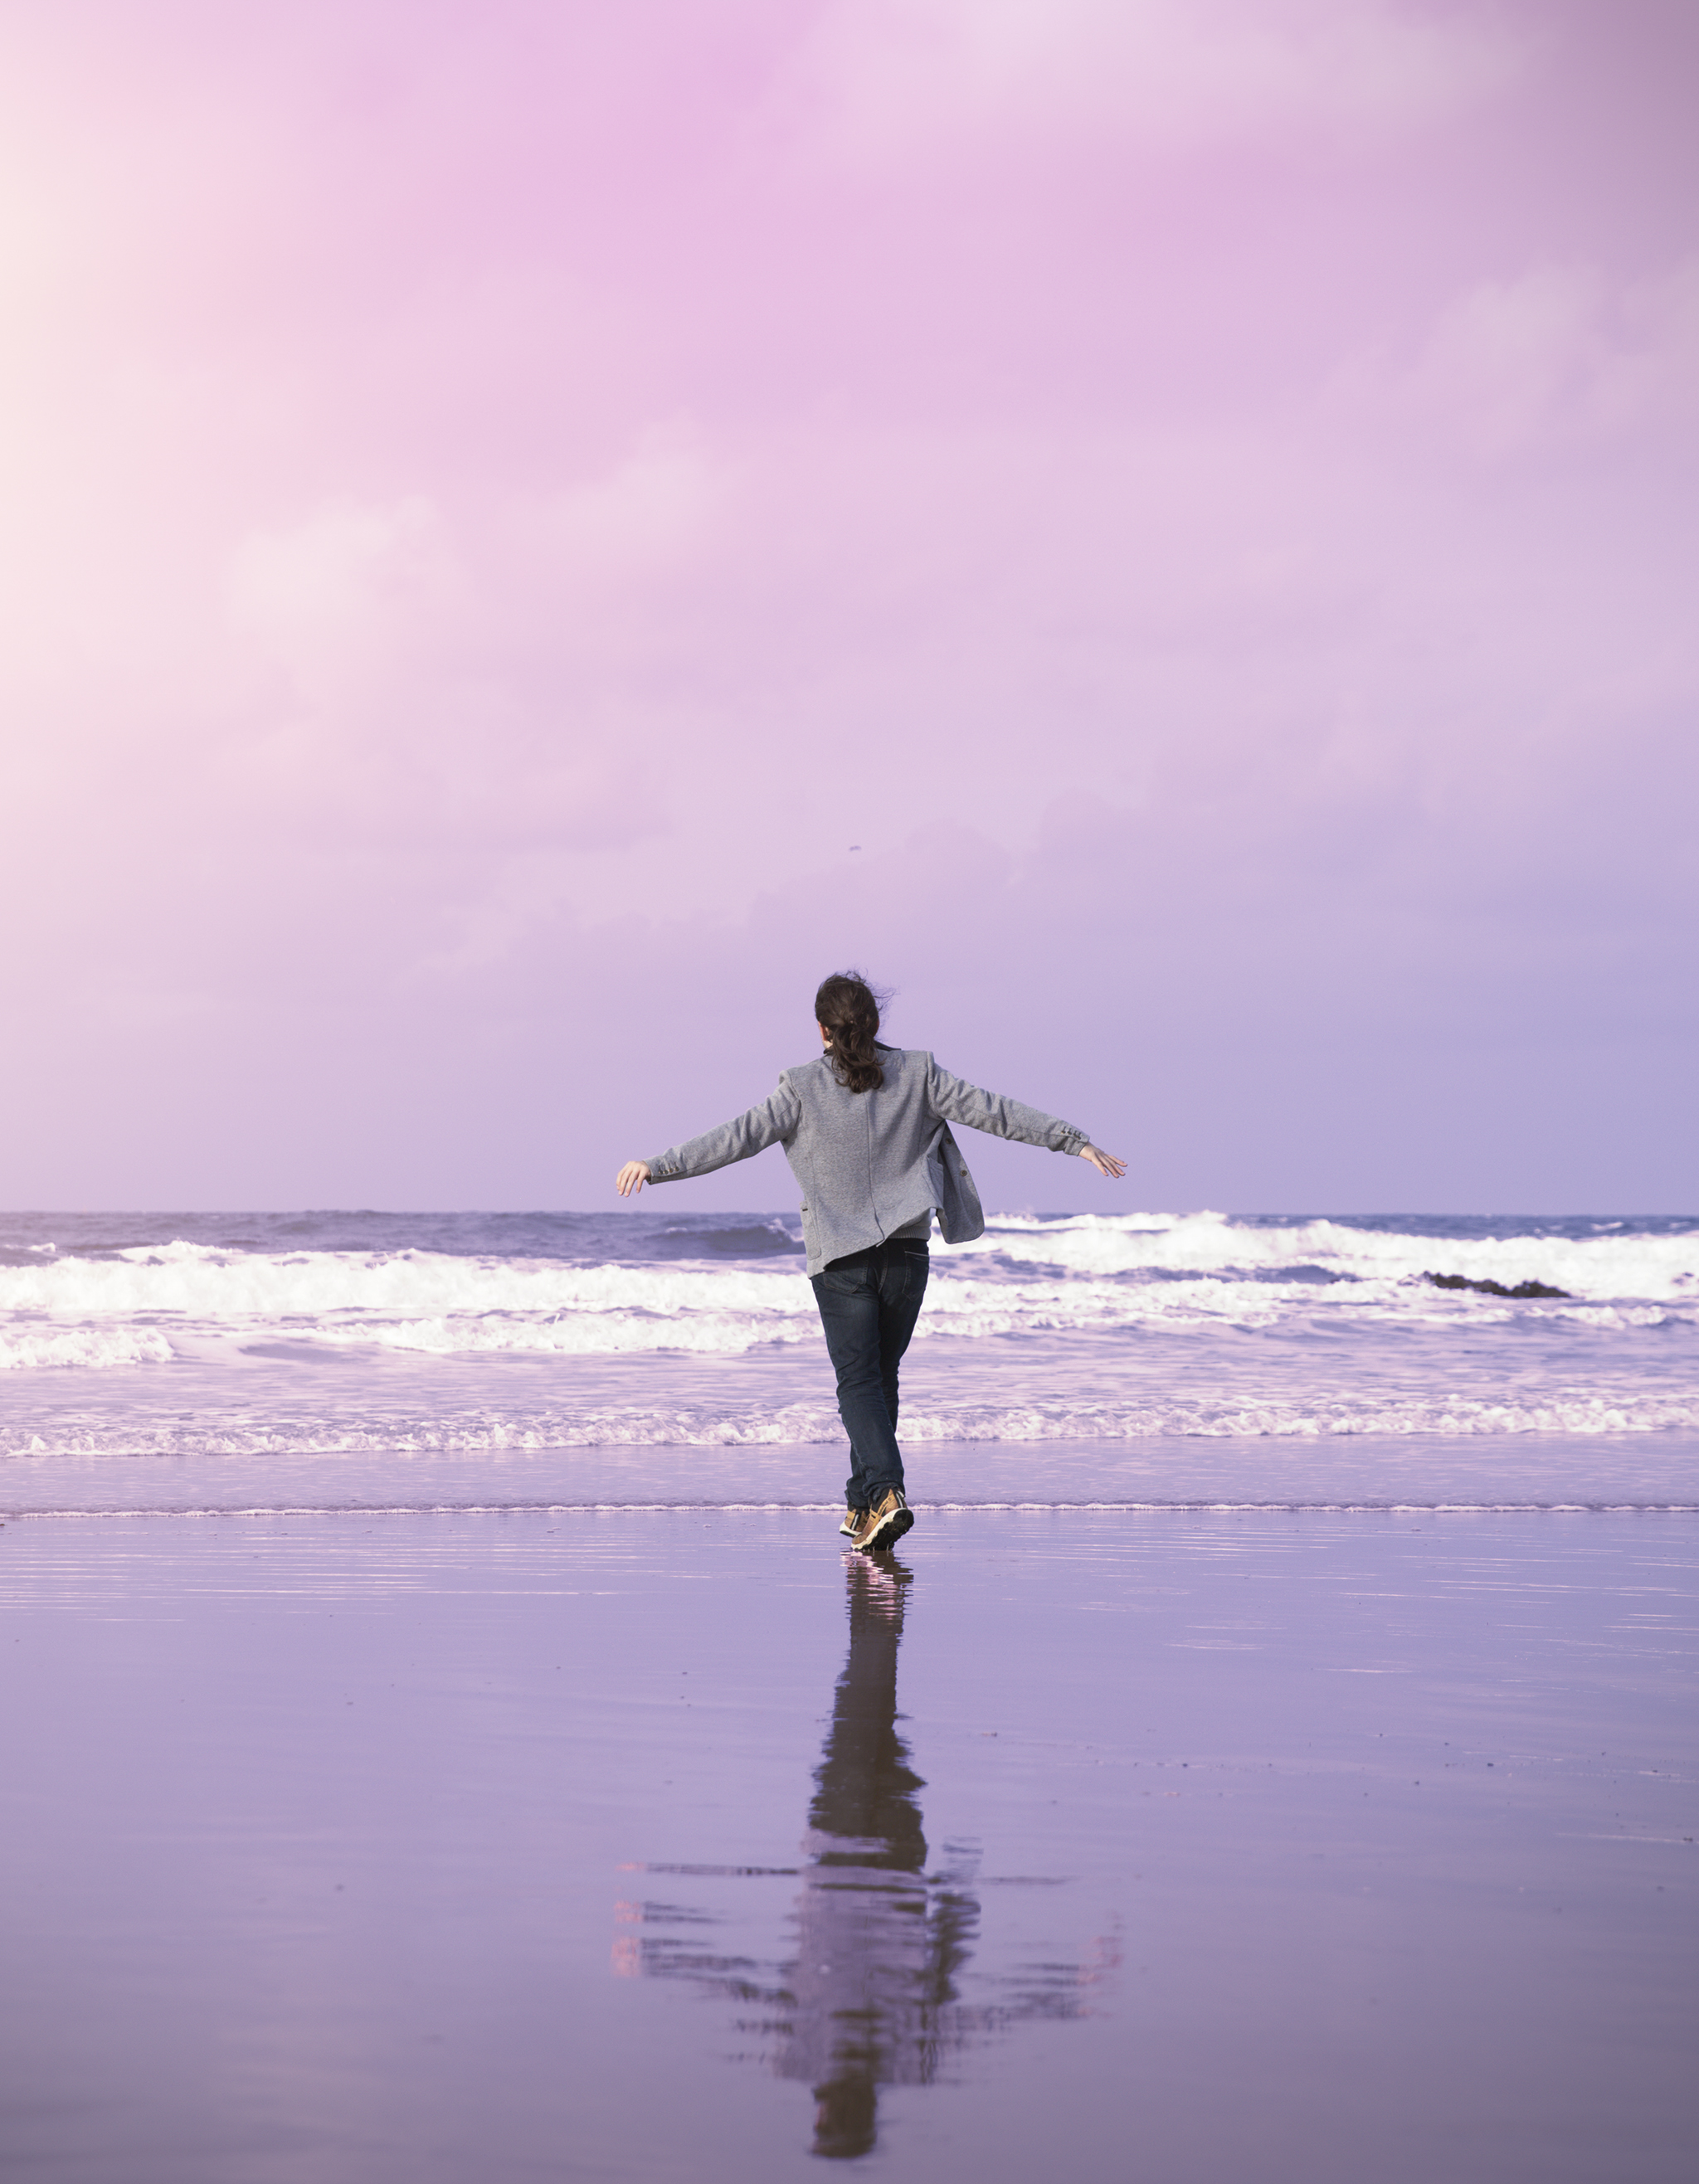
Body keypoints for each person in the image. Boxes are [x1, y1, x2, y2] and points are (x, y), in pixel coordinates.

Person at [616, 971, 1125, 1552]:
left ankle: (886, 1491)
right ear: (875, 1024)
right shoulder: (919, 1073)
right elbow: (996, 1111)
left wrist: (659, 1165)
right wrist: (1073, 1140)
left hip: (842, 1263)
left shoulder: (801, 1088)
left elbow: (737, 1137)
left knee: (858, 1382)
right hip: (908, 1257)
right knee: (879, 1382)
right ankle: (863, 1504)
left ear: (822, 1030)